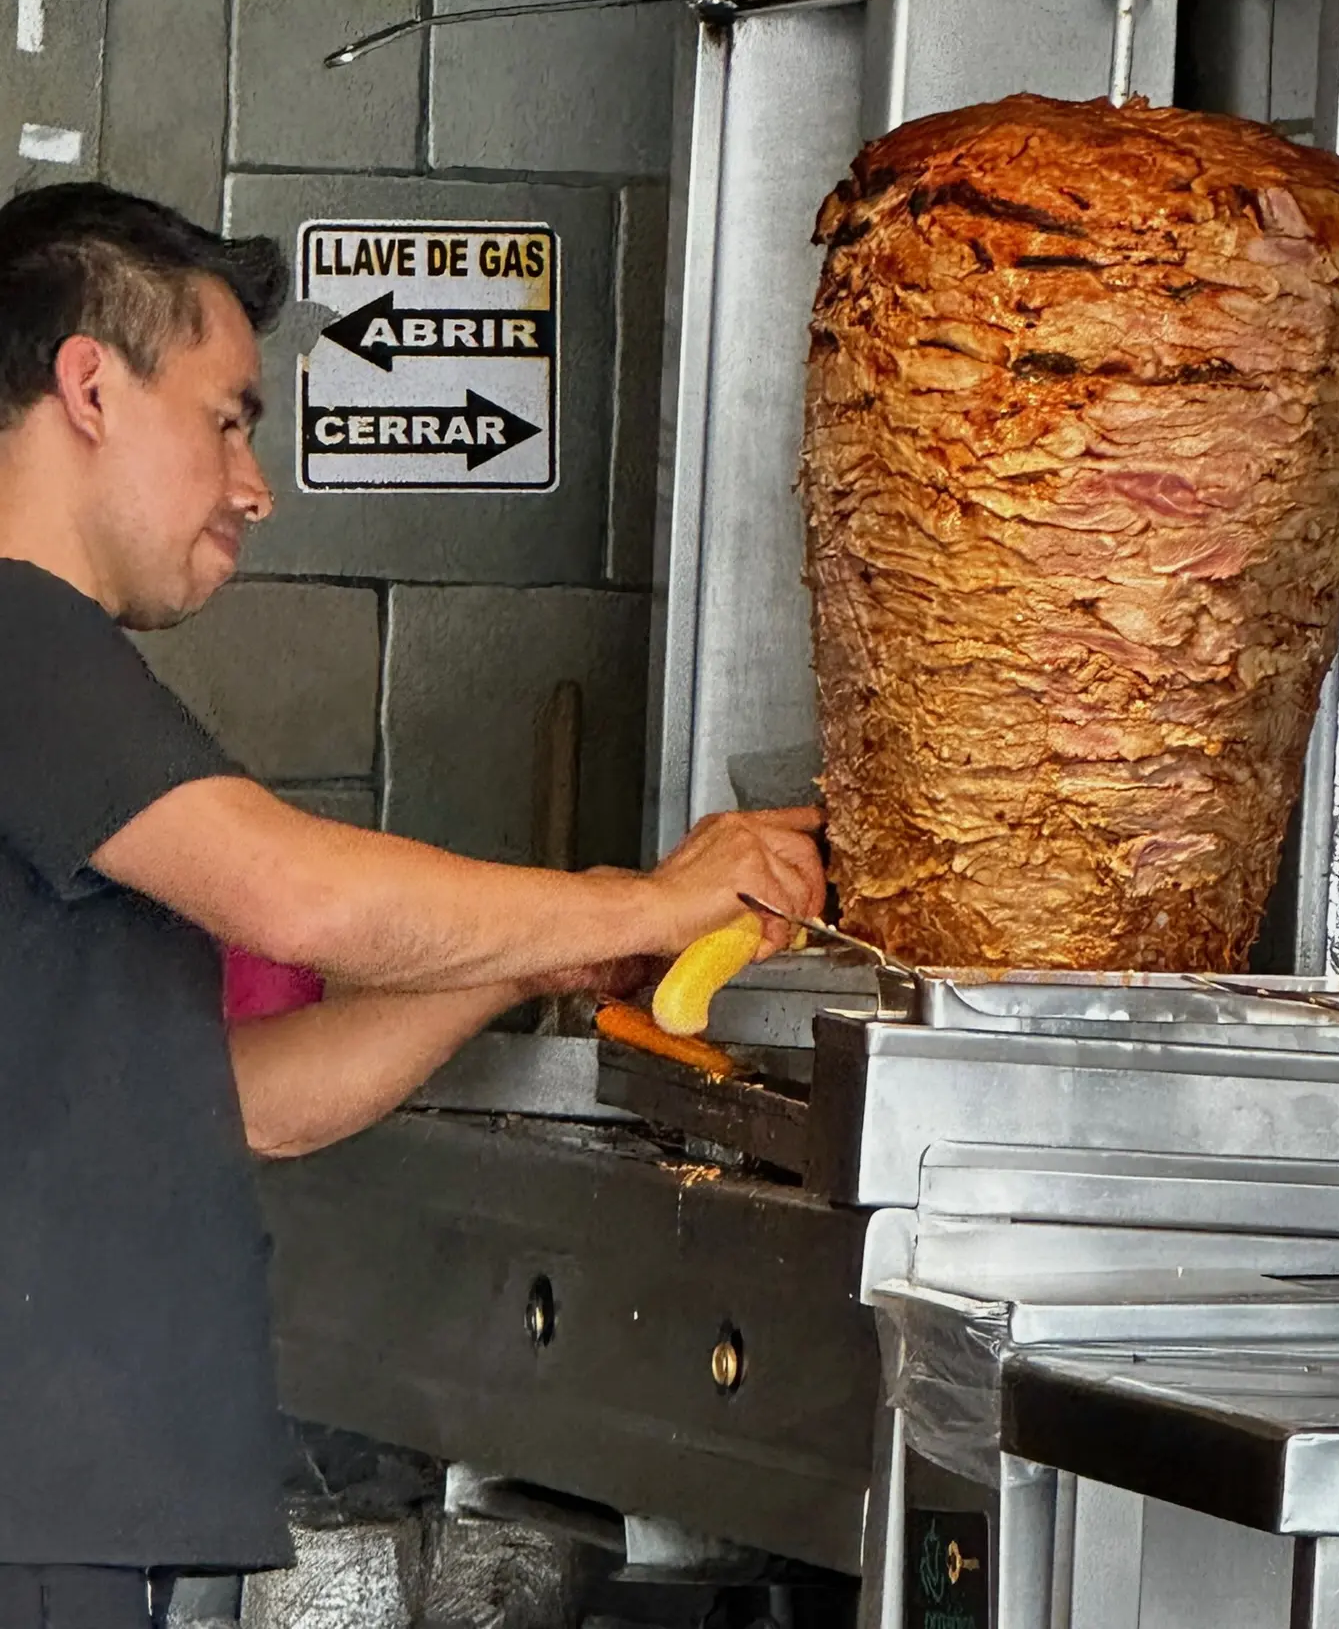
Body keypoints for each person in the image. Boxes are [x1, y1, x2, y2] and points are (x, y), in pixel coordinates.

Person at [0, 183, 824, 1629]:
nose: (253, 485)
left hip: (69, 1494)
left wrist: (561, 950)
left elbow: (255, 1100)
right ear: (87, 387)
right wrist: (629, 892)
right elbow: (294, 894)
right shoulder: (20, 641)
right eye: (228, 419)